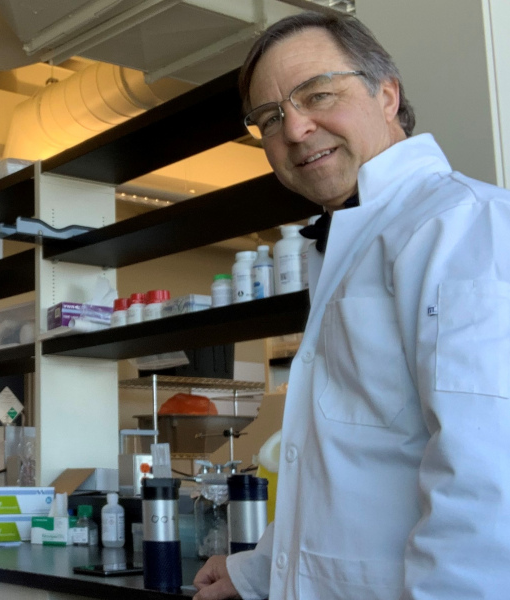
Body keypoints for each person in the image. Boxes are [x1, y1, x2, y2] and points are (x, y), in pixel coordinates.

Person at [193, 11, 510, 600]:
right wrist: (256, 569)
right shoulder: (347, 240)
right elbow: (347, 469)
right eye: (269, 118)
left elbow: (488, 476)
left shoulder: (463, 225)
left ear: (386, 95)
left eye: (318, 95)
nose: (294, 129)